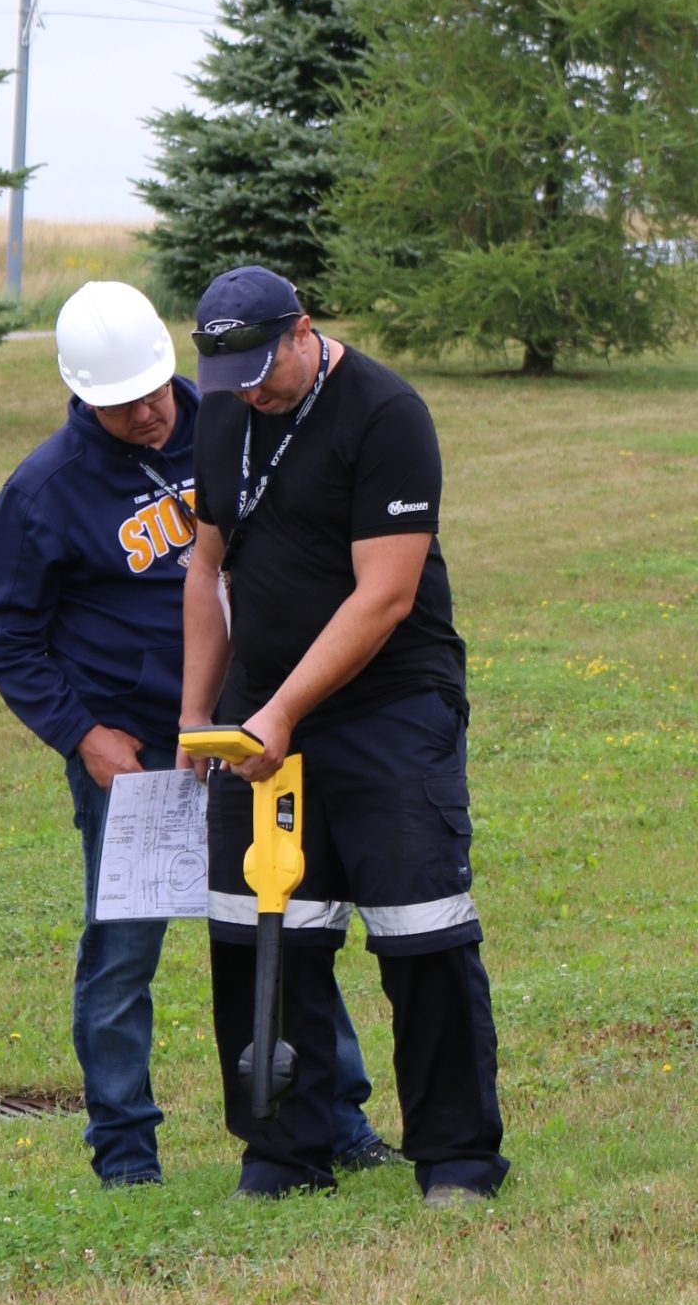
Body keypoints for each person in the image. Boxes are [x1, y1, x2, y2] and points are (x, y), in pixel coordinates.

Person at [0, 279, 394, 1187]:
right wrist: (83, 735)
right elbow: (6, 633)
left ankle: (337, 1120)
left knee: (285, 921)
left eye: (156, 392)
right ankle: (126, 1152)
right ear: (81, 394)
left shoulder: (231, 423)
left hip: (248, 730)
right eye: (122, 404)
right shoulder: (44, 491)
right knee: (124, 952)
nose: (147, 414)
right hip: (134, 757)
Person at [180, 264, 509, 1207]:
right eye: (230, 378)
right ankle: (283, 1155)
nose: (249, 392)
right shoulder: (225, 412)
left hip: (389, 707)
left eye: (261, 371)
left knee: (420, 929)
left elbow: (386, 595)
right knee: (259, 927)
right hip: (259, 712)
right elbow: (206, 570)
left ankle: (457, 1159)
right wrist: (198, 716)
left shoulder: (386, 415)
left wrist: (283, 713)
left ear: (303, 331)